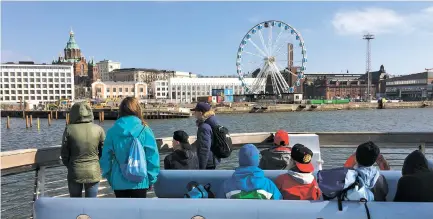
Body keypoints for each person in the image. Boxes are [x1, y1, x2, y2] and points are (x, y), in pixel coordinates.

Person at [100, 97, 160, 198]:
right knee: (139, 213)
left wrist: (110, 177)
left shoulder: (112, 131)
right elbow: (152, 156)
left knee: (122, 213)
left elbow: (105, 158)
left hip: (118, 181)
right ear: (137, 109)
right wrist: (151, 178)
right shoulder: (145, 130)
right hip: (140, 180)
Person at [60, 102, 105, 198]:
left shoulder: (69, 129)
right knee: (91, 204)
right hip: (93, 170)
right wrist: (97, 161)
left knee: (75, 204)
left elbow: (64, 152)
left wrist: (70, 164)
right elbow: (104, 150)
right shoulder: (98, 129)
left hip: (75, 170)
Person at [191, 102, 220, 170]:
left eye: (195, 111)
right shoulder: (212, 122)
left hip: (208, 162)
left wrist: (202, 168)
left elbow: (204, 149)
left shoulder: (204, 127)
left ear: (200, 113)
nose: (194, 113)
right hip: (214, 159)